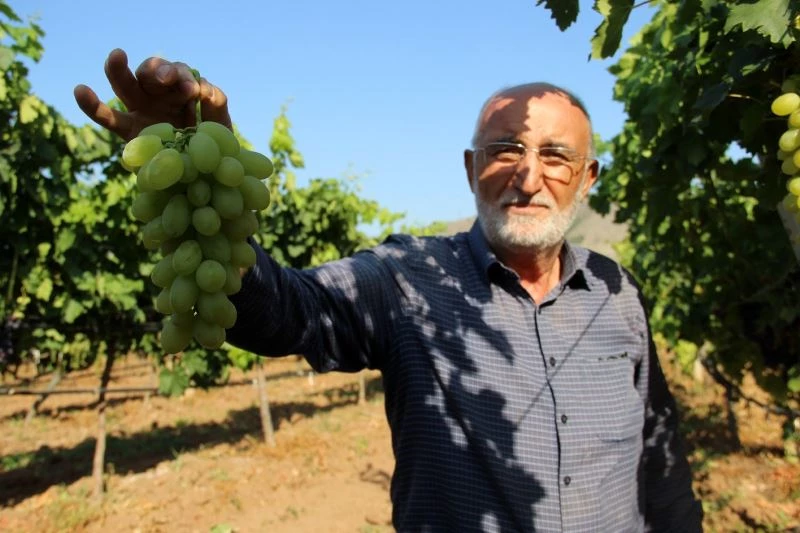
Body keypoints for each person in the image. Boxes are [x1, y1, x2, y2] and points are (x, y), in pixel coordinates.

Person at [75, 49, 704, 532]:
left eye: (557, 156)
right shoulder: (409, 278)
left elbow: (661, 459)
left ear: (587, 177)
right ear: (469, 169)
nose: (529, 176)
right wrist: (200, 194)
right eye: (505, 150)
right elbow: (293, 312)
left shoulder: (620, 294)